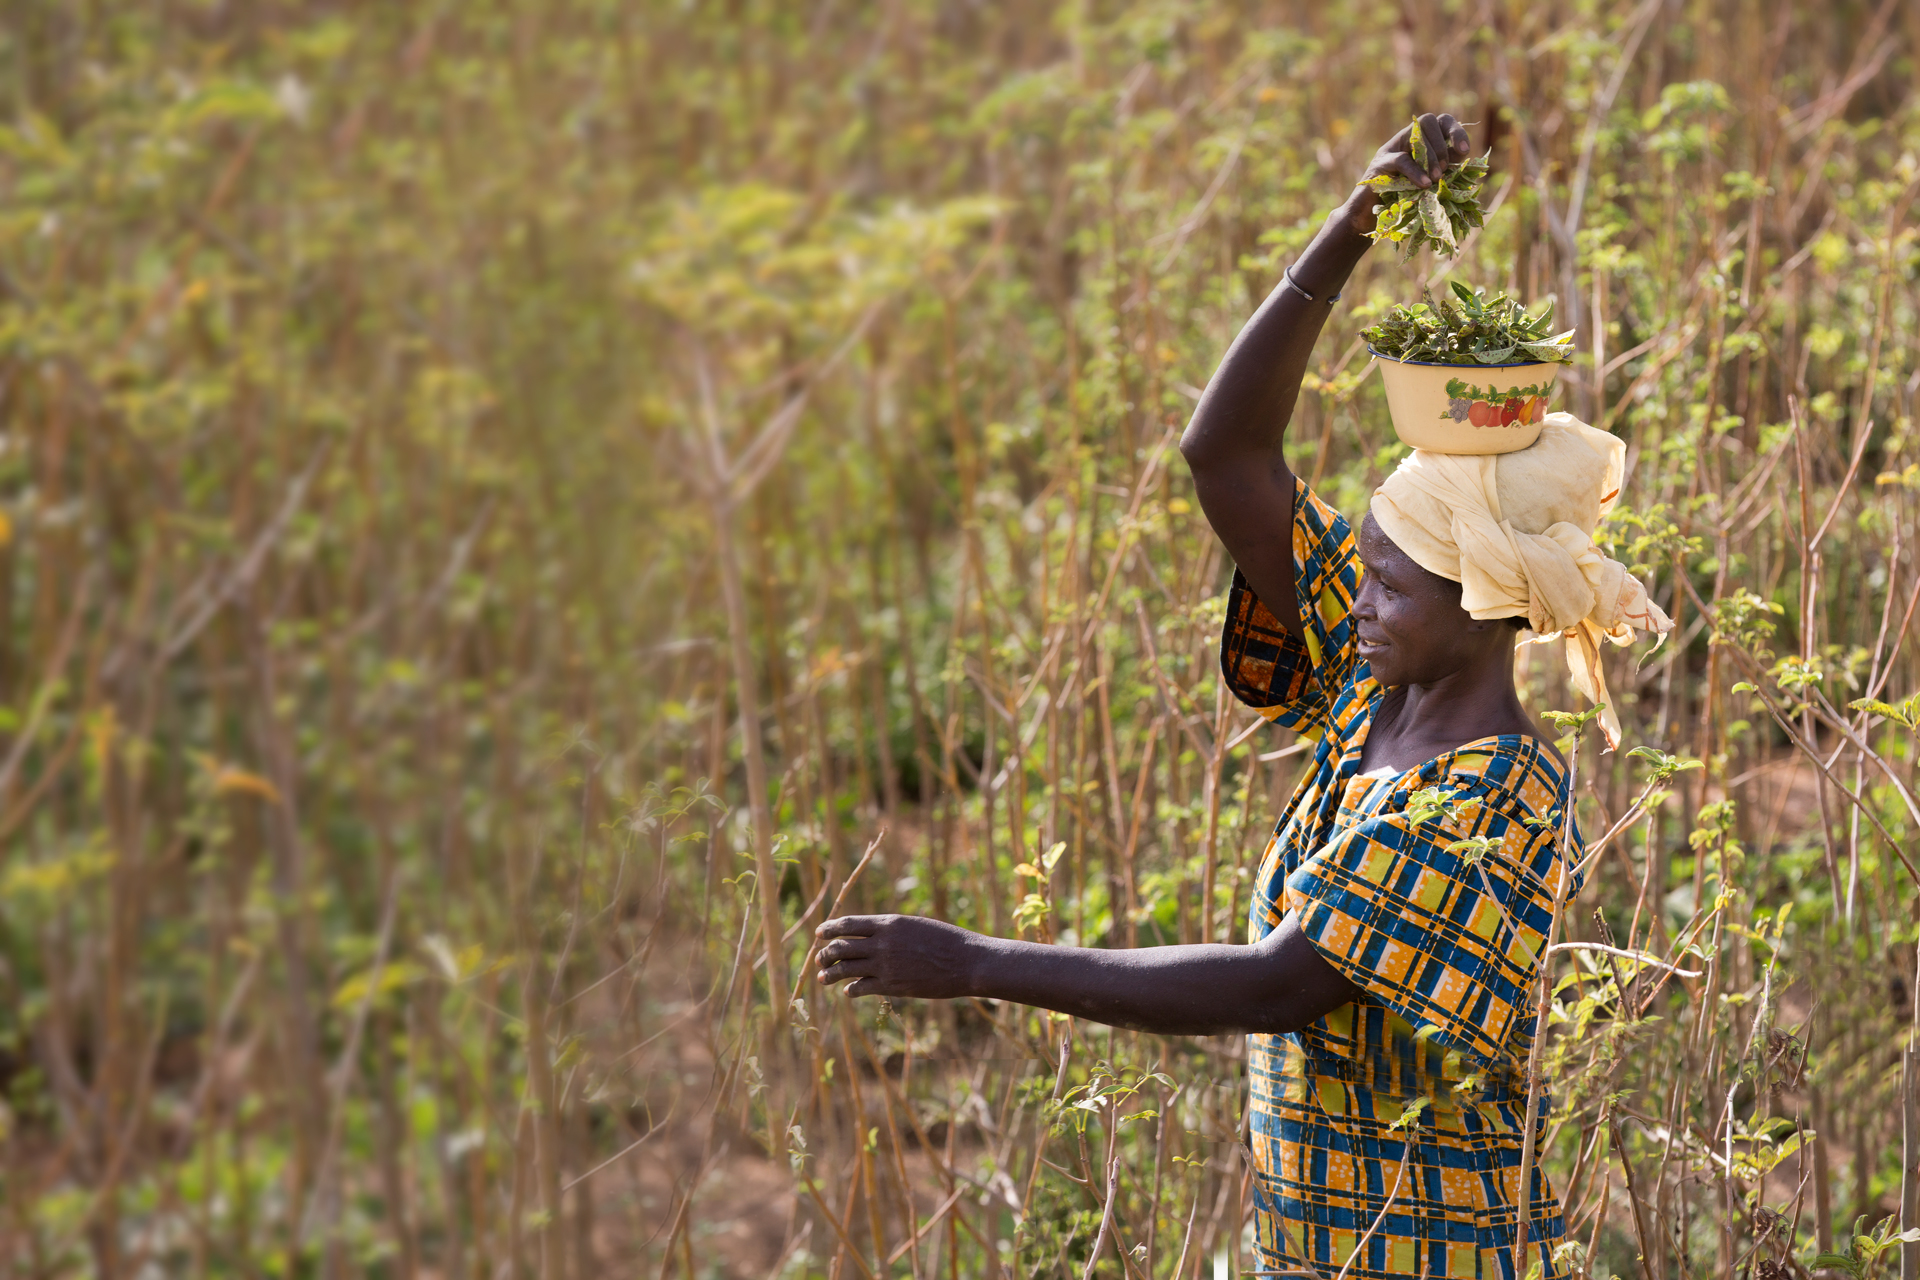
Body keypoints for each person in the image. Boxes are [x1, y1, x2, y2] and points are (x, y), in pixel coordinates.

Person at [813, 112, 1670, 1280]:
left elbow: (1280, 980)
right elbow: (1226, 457)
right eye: (1357, 569)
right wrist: (1358, 223)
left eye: (1387, 583)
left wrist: (974, 961)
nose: (1356, 599)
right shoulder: (1370, 697)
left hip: (1425, 1257)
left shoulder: (1493, 802)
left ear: (1485, 603)